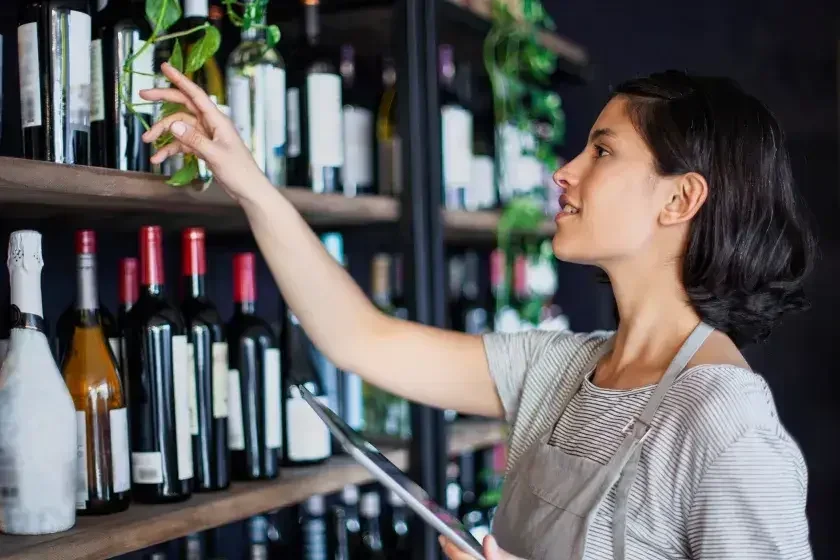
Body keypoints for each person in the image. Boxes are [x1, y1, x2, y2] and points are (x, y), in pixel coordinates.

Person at [140, 65, 815, 560]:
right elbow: (360, 340)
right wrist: (246, 180)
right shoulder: (563, 367)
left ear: (679, 200)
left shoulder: (728, 424)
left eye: (602, 151)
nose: (565, 171)